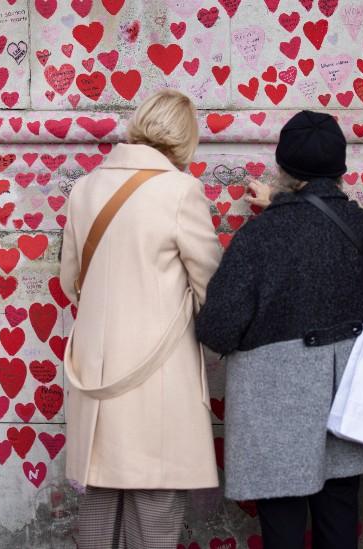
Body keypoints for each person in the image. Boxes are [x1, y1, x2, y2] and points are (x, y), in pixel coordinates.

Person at [196, 111, 363, 549]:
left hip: (276, 401)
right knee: (339, 516)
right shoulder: (361, 225)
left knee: (282, 524)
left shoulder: (259, 236)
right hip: (343, 392)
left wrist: (274, 211)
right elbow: (316, 235)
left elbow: (219, 328)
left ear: (283, 168)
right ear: (340, 170)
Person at [59, 89, 223, 548]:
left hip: (95, 373)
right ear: (185, 139)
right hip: (157, 379)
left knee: (98, 502)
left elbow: (70, 277)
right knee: (155, 505)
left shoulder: (86, 187)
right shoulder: (180, 191)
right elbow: (212, 286)